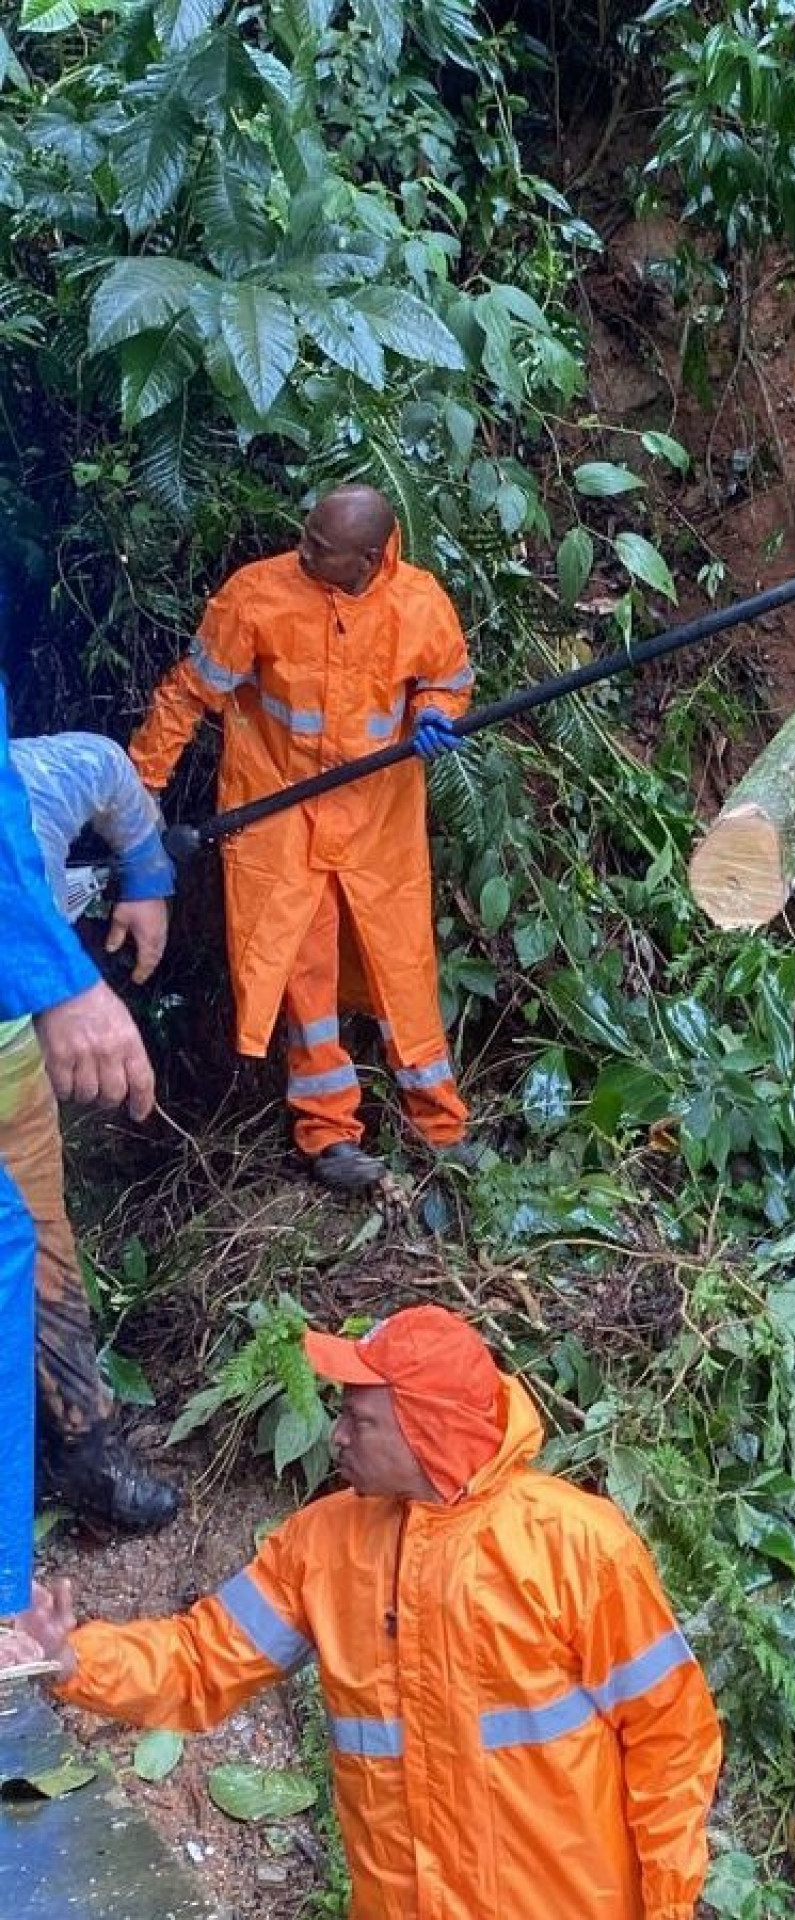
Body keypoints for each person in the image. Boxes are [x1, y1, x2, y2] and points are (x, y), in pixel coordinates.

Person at [15, 1303, 723, 1917]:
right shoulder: (323, 1546)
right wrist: (76, 1657)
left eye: (359, 1418)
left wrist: (666, 1905)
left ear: (426, 1430)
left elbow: (673, 1741)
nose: (338, 1435)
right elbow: (200, 1662)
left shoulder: (575, 1546)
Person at [130, 486, 477, 1196]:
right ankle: (329, 1134)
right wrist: (142, 784)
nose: (305, 549)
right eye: (307, 534)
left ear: (370, 557)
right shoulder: (256, 595)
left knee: (401, 967)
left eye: (323, 545)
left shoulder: (418, 602)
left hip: (378, 819)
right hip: (279, 816)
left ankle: (440, 1127)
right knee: (302, 972)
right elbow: (189, 692)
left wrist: (435, 712)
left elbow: (449, 679)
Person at [0, 686, 165, 1678]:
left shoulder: (57, 775)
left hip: (16, 1055)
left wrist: (146, 878)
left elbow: (124, 791)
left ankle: (85, 1445)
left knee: (40, 1255)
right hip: (42, 1018)